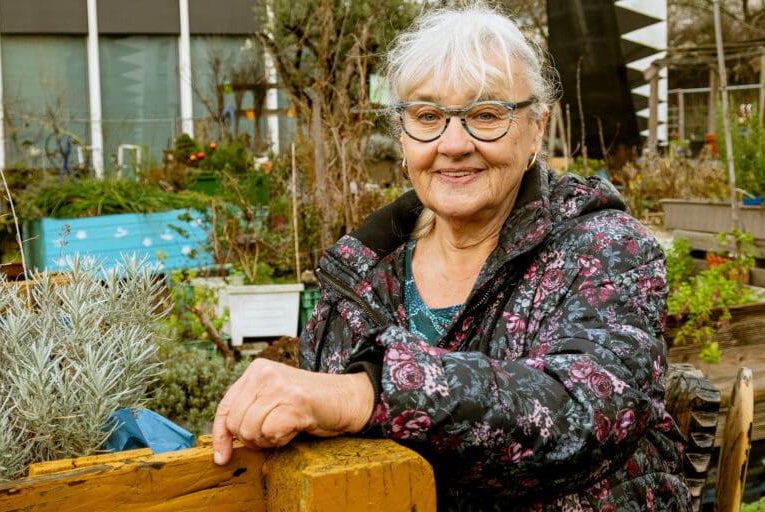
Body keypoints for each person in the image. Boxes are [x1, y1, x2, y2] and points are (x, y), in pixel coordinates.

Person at [213, 4, 691, 510]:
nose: (453, 143)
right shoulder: (362, 271)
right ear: (402, 134)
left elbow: (588, 408)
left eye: (486, 115)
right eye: (427, 116)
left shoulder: (604, 247)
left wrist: (368, 392)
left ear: (536, 129)